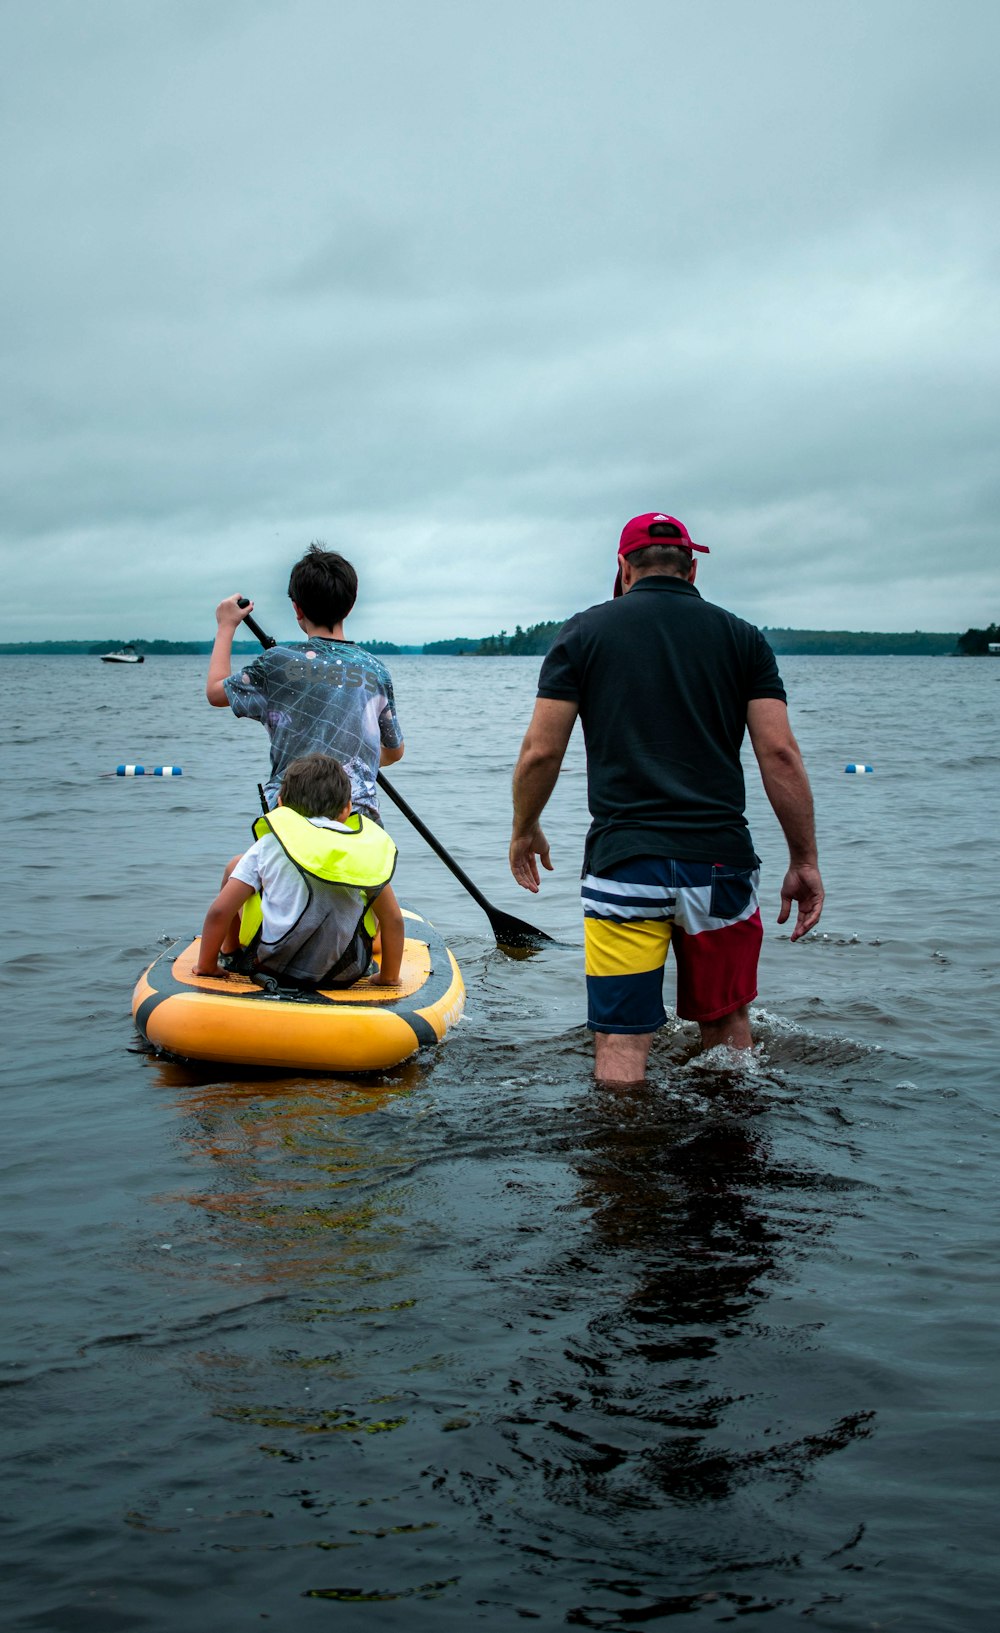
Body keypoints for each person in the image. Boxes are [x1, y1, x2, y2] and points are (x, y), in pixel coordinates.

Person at [509, 511, 824, 1085]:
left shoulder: (583, 634)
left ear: (624, 568)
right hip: (719, 865)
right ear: (692, 567)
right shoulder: (742, 638)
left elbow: (539, 752)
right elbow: (779, 754)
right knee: (728, 1031)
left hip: (624, 863)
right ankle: (728, 1158)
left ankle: (621, 1165)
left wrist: (524, 827)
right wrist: (803, 859)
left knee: (621, 1044)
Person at [206, 542, 404, 818]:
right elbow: (394, 751)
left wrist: (226, 625)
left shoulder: (276, 662)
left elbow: (216, 692)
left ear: (297, 609)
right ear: (350, 606)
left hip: (293, 817)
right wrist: (356, 762)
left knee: (236, 865)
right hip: (358, 818)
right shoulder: (375, 671)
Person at [194, 752, 404, 988]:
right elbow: (394, 919)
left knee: (235, 866)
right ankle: (378, 968)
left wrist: (206, 966)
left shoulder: (270, 843)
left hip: (269, 964)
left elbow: (220, 911)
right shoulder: (362, 848)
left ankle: (229, 951)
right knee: (373, 891)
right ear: (347, 808)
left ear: (281, 804)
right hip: (344, 972)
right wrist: (388, 978)